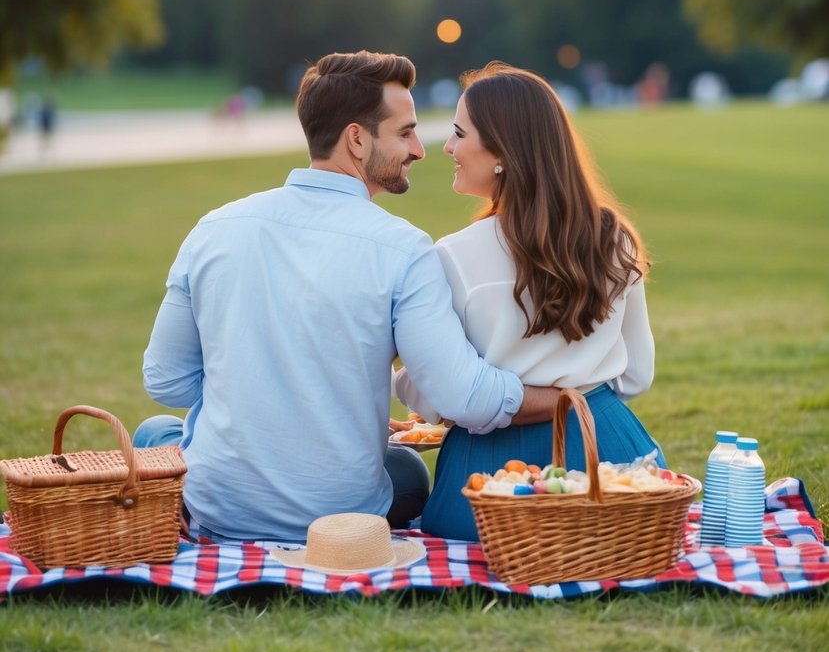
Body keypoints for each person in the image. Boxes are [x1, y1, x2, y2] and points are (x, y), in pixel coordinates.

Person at [135, 51, 561, 544]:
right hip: (341, 523)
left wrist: (258, 401)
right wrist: (562, 398)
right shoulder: (404, 249)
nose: (421, 149)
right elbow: (461, 397)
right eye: (405, 132)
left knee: (155, 431)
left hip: (219, 508)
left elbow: (165, 379)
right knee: (406, 473)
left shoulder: (214, 229)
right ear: (357, 139)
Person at [394, 61, 666, 542]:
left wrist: (405, 385)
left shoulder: (453, 256)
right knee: (612, 541)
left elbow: (441, 396)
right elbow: (635, 375)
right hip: (606, 453)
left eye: (459, 133)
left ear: (503, 150)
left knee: (479, 543)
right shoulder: (615, 238)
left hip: (491, 474)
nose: (448, 147)